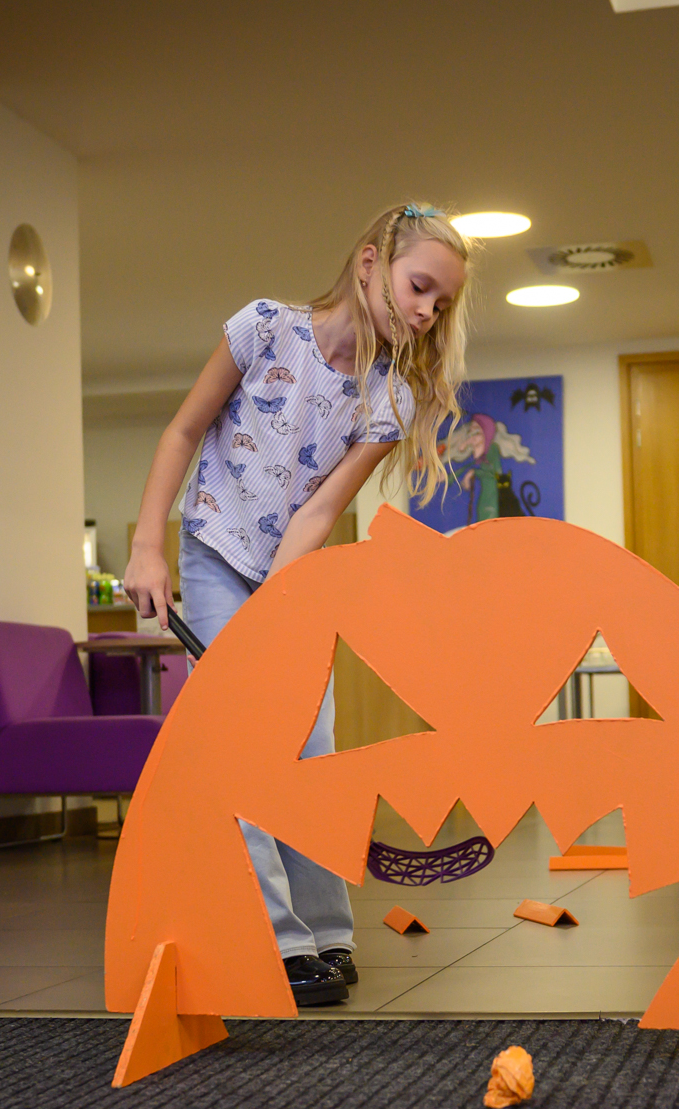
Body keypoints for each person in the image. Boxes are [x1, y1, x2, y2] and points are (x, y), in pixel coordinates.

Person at [121, 204, 472, 1006]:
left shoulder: (388, 397)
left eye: (441, 303)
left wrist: (278, 610)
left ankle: (327, 929)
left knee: (312, 749)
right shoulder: (263, 328)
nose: (426, 311)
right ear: (369, 262)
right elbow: (182, 432)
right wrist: (147, 544)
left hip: (292, 575)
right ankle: (276, 939)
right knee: (242, 745)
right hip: (216, 554)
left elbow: (319, 511)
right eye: (420, 286)